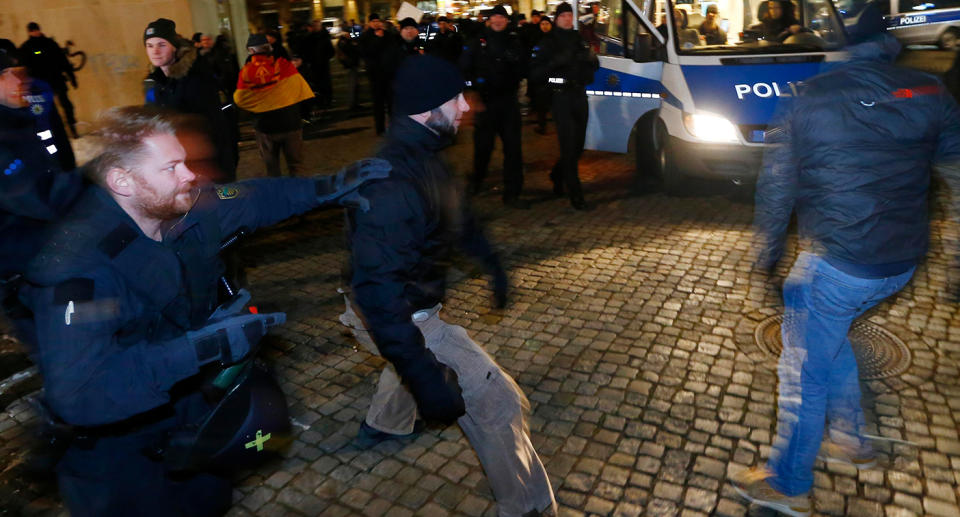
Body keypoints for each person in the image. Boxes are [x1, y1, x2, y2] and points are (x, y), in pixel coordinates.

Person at [17, 105, 391, 517]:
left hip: (193, 421)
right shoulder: (76, 270)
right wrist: (202, 347)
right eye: (172, 167)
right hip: (123, 461)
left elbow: (256, 198)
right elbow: (82, 393)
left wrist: (332, 187)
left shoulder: (179, 208)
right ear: (122, 181)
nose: (190, 175)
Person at [731, 5, 960, 516]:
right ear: (890, 44)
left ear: (839, 41)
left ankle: (788, 485)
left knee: (802, 369)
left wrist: (766, 260)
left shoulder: (810, 97)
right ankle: (853, 440)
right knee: (828, 339)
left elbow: (776, 189)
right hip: (902, 261)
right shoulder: (927, 91)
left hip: (842, 263)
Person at [340, 54, 557, 517]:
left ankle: (385, 423)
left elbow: (457, 217)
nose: (467, 106)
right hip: (397, 313)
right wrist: (427, 380)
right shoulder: (391, 184)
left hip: (402, 307)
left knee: (408, 356)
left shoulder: (426, 157)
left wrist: (493, 264)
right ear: (425, 108)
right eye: (455, 97)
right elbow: (380, 299)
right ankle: (530, 508)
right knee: (499, 404)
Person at [0, 43, 84, 344]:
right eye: (7, 74)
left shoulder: (18, 121)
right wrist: (93, 177)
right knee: (57, 351)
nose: (18, 80)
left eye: (17, 72)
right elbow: (36, 195)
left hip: (42, 257)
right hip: (18, 271)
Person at [143, 18, 238, 183]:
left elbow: (213, 126)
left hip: (208, 165)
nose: (155, 51)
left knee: (224, 202)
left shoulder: (197, 77)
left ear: (174, 47)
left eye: (161, 45)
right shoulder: (157, 82)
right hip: (181, 165)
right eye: (149, 46)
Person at [460, 4, 530, 209]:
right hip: (485, 104)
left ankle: (512, 193)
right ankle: (477, 181)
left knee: (513, 150)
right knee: (483, 148)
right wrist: (472, 91)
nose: (498, 21)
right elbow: (464, 70)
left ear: (507, 20)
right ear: (489, 20)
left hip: (508, 102)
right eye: (495, 17)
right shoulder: (477, 42)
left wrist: (517, 65)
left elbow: (525, 68)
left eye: (502, 17)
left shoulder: (515, 41)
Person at [530, 2, 598, 210]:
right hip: (560, 98)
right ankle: (576, 194)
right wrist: (555, 63)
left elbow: (593, 66)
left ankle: (557, 174)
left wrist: (591, 60)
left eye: (570, 15)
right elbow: (535, 74)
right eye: (563, 16)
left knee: (578, 146)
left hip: (579, 95)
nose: (567, 19)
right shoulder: (548, 42)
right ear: (556, 19)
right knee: (568, 147)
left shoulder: (579, 39)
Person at [234, 34, 315, 177]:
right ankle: (301, 196)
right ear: (268, 48)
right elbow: (298, 87)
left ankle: (277, 197)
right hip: (291, 123)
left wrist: (259, 104)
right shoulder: (284, 65)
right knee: (296, 166)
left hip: (265, 126)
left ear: (251, 51)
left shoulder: (246, 72)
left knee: (272, 168)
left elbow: (239, 99)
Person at [19, 22, 78, 139]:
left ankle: (72, 128)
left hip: (56, 79)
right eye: (33, 30)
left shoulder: (50, 44)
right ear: (29, 32)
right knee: (46, 110)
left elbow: (63, 61)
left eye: (36, 30)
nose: (35, 32)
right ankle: (54, 134)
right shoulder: (26, 48)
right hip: (41, 84)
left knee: (66, 105)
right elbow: (22, 68)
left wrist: (72, 77)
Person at [360, 13, 401, 135]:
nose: (376, 23)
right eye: (373, 21)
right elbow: (367, 53)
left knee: (391, 102)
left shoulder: (387, 34)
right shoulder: (365, 37)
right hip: (375, 74)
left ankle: (394, 126)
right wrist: (377, 39)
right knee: (378, 102)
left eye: (378, 21)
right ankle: (380, 128)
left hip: (389, 73)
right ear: (369, 23)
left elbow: (395, 48)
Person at [529, 16, 553, 135]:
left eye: (547, 23)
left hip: (553, 75)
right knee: (541, 104)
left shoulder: (555, 38)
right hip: (541, 76)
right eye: (542, 24)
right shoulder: (536, 38)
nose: (544, 26)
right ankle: (542, 126)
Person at [336, 31, 362, 110]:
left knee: (354, 85)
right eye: (347, 34)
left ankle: (354, 103)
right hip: (351, 66)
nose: (349, 35)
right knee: (353, 86)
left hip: (351, 65)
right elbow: (354, 51)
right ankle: (352, 104)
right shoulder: (346, 44)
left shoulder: (344, 43)